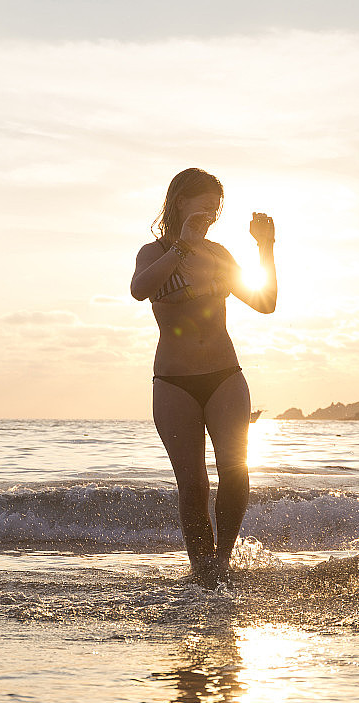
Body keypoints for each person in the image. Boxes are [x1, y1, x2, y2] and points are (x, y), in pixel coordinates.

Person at [131, 168, 277, 587]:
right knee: (192, 482)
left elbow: (265, 302)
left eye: (217, 207)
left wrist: (265, 247)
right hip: (174, 382)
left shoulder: (218, 254)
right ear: (180, 201)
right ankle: (202, 570)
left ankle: (222, 562)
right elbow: (140, 289)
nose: (212, 212)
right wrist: (181, 247)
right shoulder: (152, 252)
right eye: (205, 204)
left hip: (224, 375)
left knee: (236, 470)